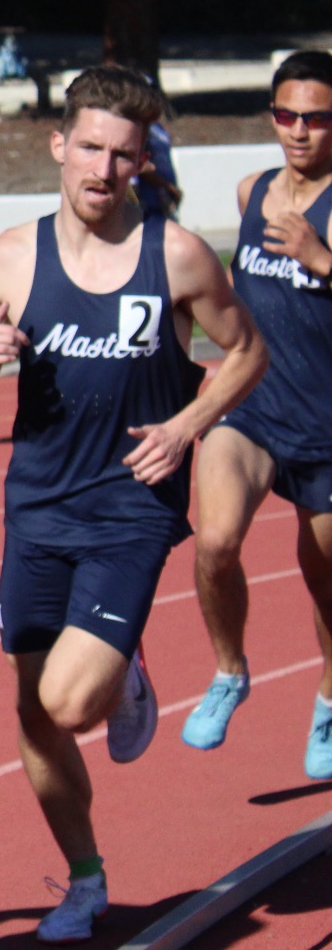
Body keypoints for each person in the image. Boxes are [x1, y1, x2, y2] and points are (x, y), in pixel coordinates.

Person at [0, 66, 266, 944]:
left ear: (142, 163)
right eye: (89, 146)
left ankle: (120, 668)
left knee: (72, 699)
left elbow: (246, 352)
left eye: (123, 154)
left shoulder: (177, 255)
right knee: (32, 710)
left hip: (131, 504)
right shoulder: (13, 257)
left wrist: (189, 421)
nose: (103, 167)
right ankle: (85, 879)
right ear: (59, 145)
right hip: (37, 507)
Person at [183, 50, 332, 779]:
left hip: (328, 426)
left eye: (315, 117)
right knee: (213, 541)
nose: (298, 130)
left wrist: (321, 257)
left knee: (326, 578)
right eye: (286, 115)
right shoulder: (252, 191)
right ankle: (228, 669)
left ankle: (331, 698)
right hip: (253, 410)